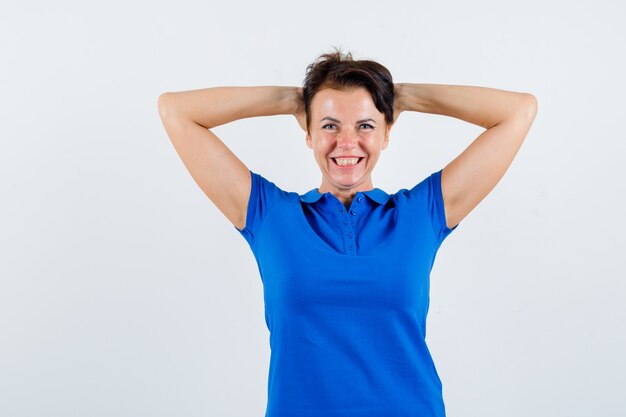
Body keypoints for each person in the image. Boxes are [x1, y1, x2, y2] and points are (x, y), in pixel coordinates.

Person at [157, 48, 538, 417]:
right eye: (329, 125)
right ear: (307, 132)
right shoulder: (270, 215)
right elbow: (176, 111)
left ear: (387, 133)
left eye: (365, 125)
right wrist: (293, 101)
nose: (346, 142)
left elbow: (518, 112)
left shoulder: (421, 214)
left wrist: (403, 97)